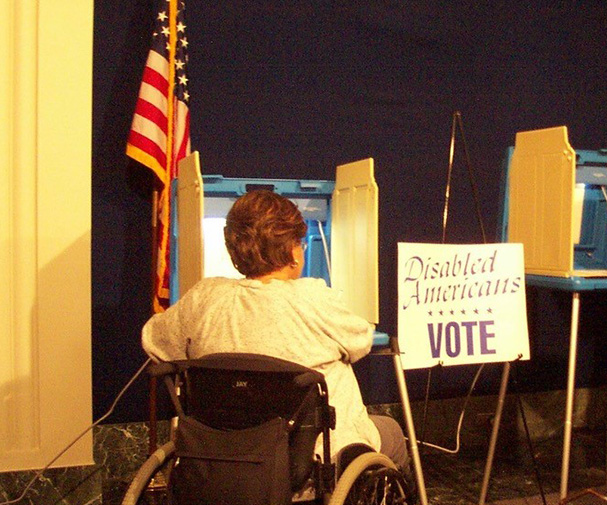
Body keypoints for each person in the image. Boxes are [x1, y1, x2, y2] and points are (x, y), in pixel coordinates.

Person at [142, 189, 409, 469]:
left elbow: (154, 342)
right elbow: (361, 341)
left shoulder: (203, 298)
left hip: (225, 453)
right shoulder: (313, 297)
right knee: (390, 431)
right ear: (294, 252)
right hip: (313, 458)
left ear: (234, 250)